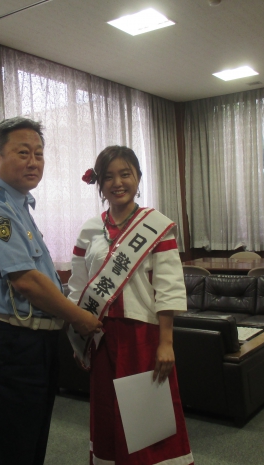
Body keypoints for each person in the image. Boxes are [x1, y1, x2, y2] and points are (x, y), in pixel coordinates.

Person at [0, 116, 102, 465]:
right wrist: (81, 318)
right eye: (23, 152)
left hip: (31, 343)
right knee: (5, 448)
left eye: (39, 154)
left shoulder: (18, 204)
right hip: (7, 344)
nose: (33, 162)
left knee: (27, 441)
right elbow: (26, 281)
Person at [68, 146, 194, 465]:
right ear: (99, 183)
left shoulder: (157, 225)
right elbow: (78, 286)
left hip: (144, 336)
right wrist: (78, 337)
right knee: (109, 412)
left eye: (125, 174)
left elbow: (168, 287)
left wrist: (167, 342)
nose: (118, 182)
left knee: (148, 417)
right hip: (101, 335)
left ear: (138, 177)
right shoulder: (89, 230)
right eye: (108, 176)